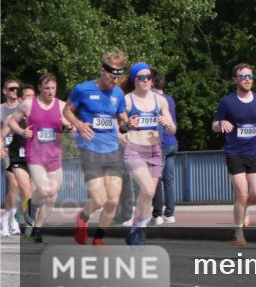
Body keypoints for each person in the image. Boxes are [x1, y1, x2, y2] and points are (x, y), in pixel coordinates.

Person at [64, 51, 130, 246]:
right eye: (111, 77)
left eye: (118, 78)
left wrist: (129, 124)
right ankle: (82, 217)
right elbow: (66, 110)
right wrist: (78, 124)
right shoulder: (82, 90)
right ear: (102, 71)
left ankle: (99, 237)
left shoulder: (118, 93)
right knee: (100, 199)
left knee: (113, 201)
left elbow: (121, 119)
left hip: (112, 150)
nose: (115, 82)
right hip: (90, 149)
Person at [3, 75, 71, 242]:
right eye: (47, 88)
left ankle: (37, 229)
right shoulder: (28, 104)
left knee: (53, 195)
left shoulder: (62, 105)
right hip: (35, 155)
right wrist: (21, 131)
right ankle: (30, 206)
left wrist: (71, 126)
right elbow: (11, 122)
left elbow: (73, 125)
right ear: (40, 88)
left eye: (53, 88)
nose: (50, 92)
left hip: (54, 155)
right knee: (45, 190)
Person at [213, 63, 256, 246]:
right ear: (235, 80)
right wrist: (221, 123)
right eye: (243, 77)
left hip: (253, 152)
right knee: (241, 192)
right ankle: (238, 233)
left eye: (250, 77)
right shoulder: (227, 101)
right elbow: (214, 125)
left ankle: (244, 209)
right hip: (234, 153)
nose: (247, 80)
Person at [122, 63, 176, 245]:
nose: (146, 81)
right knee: (147, 188)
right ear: (134, 79)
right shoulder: (127, 100)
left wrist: (168, 125)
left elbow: (173, 129)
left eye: (149, 78)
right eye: (141, 77)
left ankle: (136, 228)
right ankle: (140, 229)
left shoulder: (160, 100)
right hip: (134, 149)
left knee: (148, 193)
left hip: (155, 150)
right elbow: (117, 127)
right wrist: (127, 125)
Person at [2, 79, 30, 236]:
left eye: (16, 89)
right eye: (11, 89)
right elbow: (1, 136)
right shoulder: (4, 112)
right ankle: (8, 221)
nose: (14, 91)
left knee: (27, 190)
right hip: (7, 152)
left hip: (26, 154)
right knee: (14, 184)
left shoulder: (33, 114)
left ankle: (10, 217)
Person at [151, 71, 179, 225]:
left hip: (160, 144)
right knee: (169, 180)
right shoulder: (170, 99)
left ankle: (157, 215)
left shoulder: (154, 100)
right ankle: (170, 213)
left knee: (156, 178)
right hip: (172, 142)